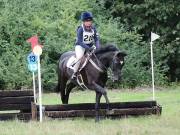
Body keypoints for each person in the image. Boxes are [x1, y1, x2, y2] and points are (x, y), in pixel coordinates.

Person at [71, 11, 100, 79]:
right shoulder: (80, 29)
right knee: (79, 57)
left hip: (90, 45)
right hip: (80, 46)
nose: (89, 22)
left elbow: (96, 39)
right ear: (83, 22)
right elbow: (80, 41)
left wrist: (98, 48)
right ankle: (74, 73)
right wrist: (88, 48)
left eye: (90, 21)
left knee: (99, 55)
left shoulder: (93, 28)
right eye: (87, 21)